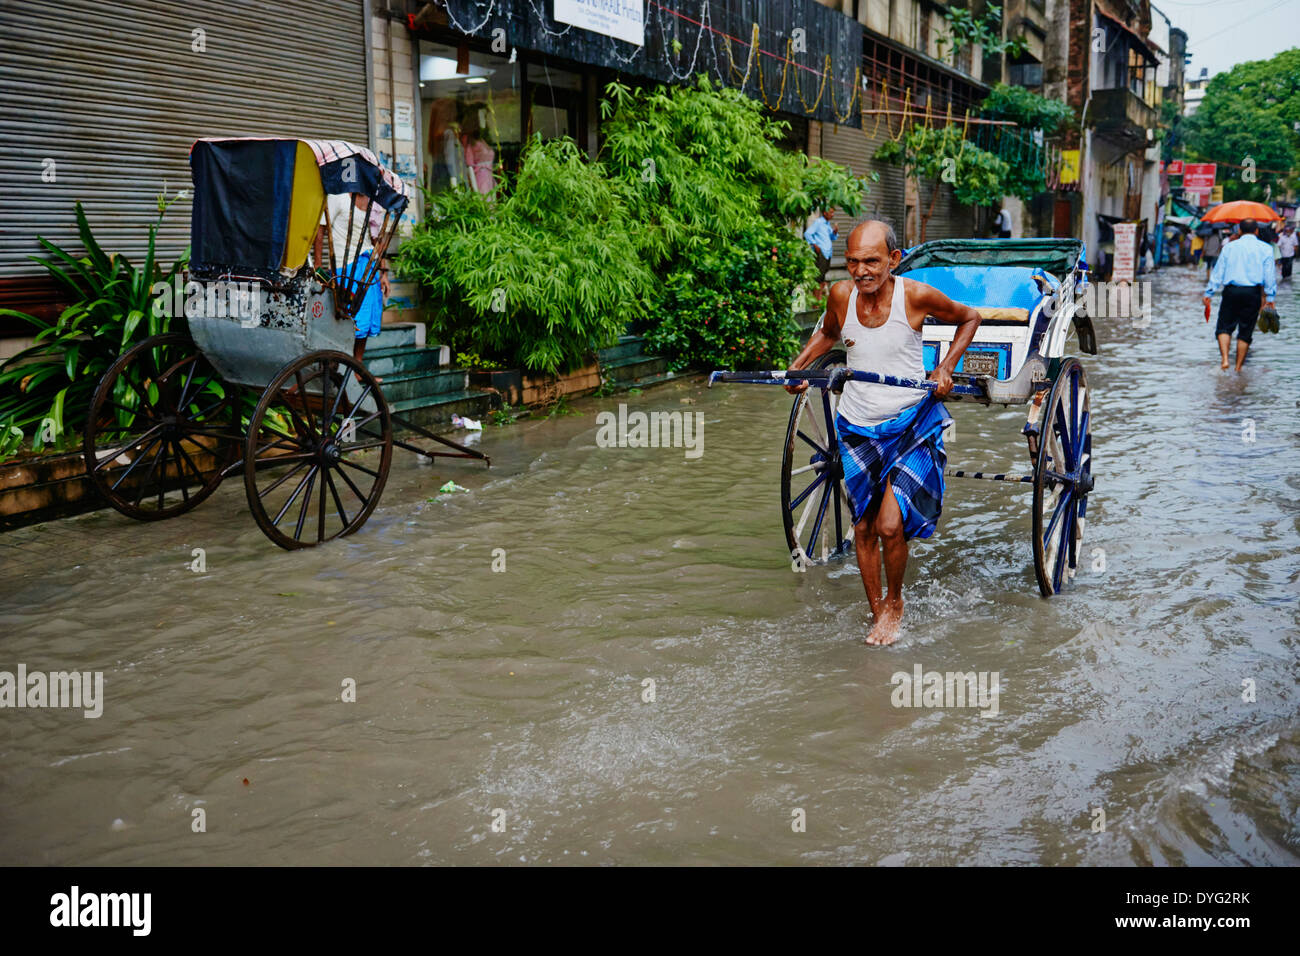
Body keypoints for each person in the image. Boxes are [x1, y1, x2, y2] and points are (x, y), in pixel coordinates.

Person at [785, 221, 982, 646]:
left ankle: (895, 601)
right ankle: (878, 612)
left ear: (893, 260)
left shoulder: (915, 296)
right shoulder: (841, 295)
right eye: (853, 261)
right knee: (863, 528)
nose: (860, 271)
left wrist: (945, 366)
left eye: (871, 261)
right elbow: (829, 333)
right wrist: (800, 366)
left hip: (911, 422)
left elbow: (970, 317)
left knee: (891, 525)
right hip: (857, 426)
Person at [317, 191, 391, 365]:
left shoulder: (374, 203)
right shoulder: (338, 197)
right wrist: (318, 264)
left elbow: (376, 242)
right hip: (345, 265)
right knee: (351, 315)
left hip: (368, 265)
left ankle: (357, 366)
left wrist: (383, 273)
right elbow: (321, 228)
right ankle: (342, 363)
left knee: (368, 315)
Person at [1203, 218, 1276, 372]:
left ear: (1240, 231)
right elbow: (1269, 276)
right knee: (1245, 331)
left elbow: (1218, 271)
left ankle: (1224, 360)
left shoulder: (1229, 247)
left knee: (1224, 327)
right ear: (1256, 231)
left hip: (1231, 291)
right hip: (1252, 293)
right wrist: (1270, 298)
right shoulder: (1266, 249)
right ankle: (1237, 368)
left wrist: (1209, 292)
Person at [803, 208, 838, 301]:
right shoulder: (818, 222)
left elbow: (832, 238)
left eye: (833, 212)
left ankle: (818, 300)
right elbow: (807, 234)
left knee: (822, 277)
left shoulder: (827, 224)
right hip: (821, 253)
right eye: (831, 212)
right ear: (825, 212)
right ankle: (816, 302)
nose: (833, 214)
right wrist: (814, 245)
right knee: (818, 278)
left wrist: (834, 232)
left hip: (827, 254)